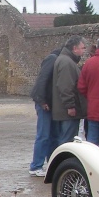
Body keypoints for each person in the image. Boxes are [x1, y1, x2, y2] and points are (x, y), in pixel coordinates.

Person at [28, 47, 61, 176]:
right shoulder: (52, 59)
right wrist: (42, 101)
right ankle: (36, 166)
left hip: (49, 102)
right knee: (44, 135)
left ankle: (48, 164)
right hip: (45, 103)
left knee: (52, 135)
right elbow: (42, 80)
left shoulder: (55, 59)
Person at [52, 36, 87, 145]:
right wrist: (70, 106)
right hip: (67, 112)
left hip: (65, 110)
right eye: (83, 48)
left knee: (65, 139)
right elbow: (65, 85)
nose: (84, 50)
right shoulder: (67, 62)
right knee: (67, 142)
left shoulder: (66, 60)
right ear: (75, 48)